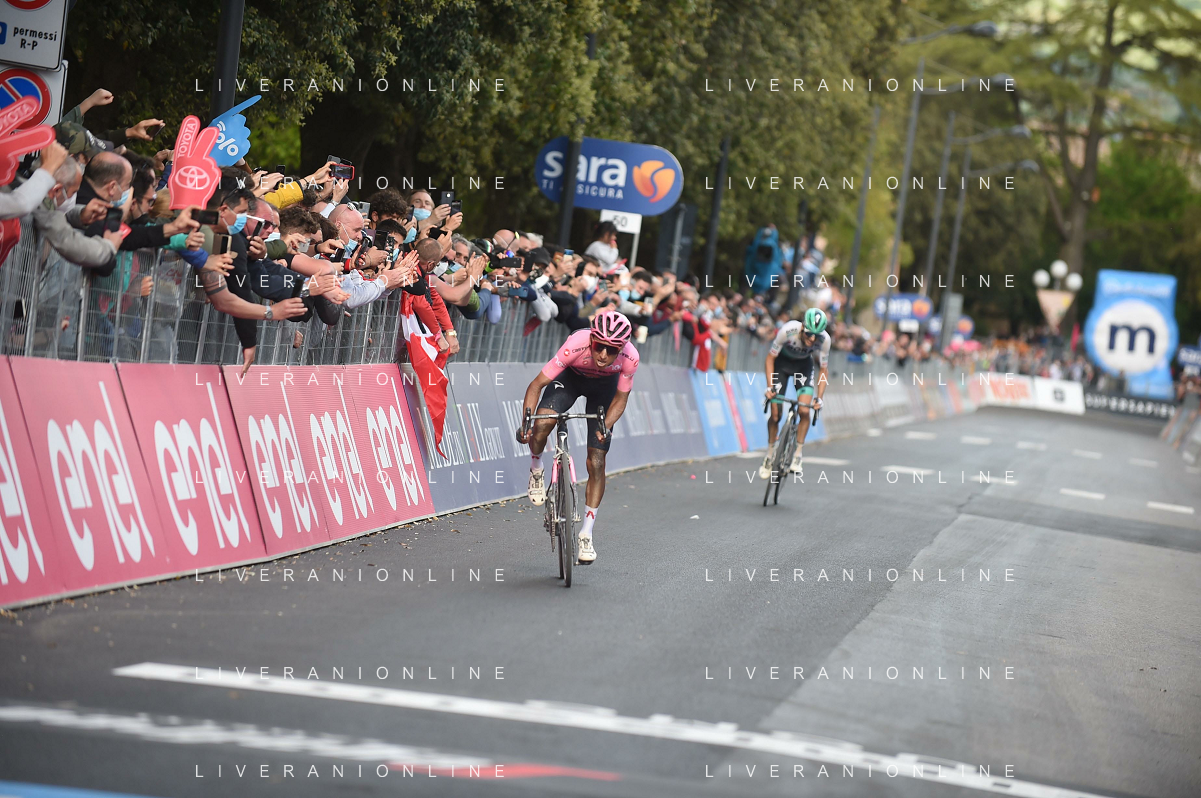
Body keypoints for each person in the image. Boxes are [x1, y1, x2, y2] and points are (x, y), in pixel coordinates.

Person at [516, 311, 639, 564]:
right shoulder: (576, 343)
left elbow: (621, 399)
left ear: (621, 349)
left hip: (604, 389)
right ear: (592, 340)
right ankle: (537, 467)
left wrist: (605, 426)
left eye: (611, 350)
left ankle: (586, 534)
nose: (603, 354)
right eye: (599, 346)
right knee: (543, 424)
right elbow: (536, 385)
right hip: (570, 379)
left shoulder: (630, 357)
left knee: (597, 461)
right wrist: (526, 423)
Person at [761, 307, 830, 479]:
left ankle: (798, 454)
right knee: (775, 415)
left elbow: (823, 370)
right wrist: (770, 387)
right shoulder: (788, 330)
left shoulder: (825, 340)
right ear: (802, 327)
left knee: (805, 410)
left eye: (816, 336)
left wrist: (819, 398)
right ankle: (770, 455)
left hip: (803, 367)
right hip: (781, 366)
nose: (812, 339)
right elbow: (770, 358)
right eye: (809, 334)